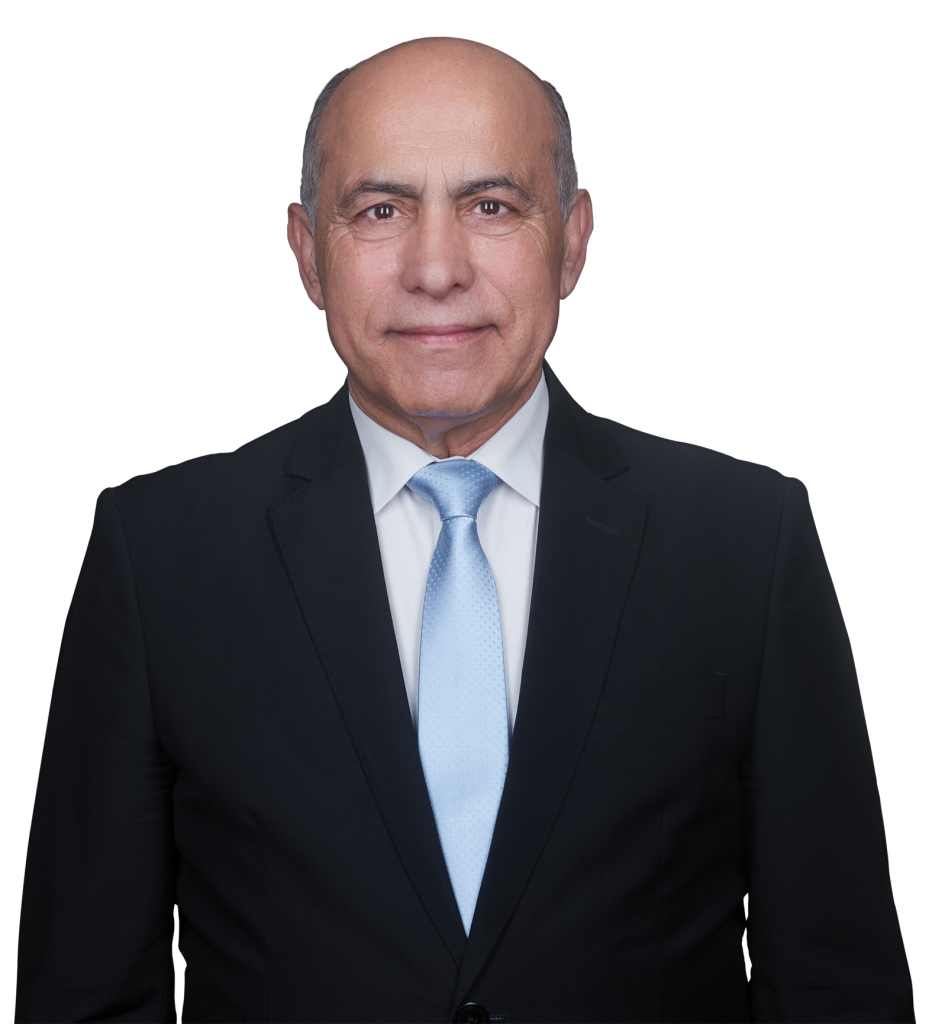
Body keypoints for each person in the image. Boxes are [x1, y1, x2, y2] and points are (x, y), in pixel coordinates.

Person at [14, 36, 914, 1024]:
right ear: (307, 253)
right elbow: (87, 993)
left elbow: (835, 984)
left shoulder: (748, 540)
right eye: (380, 210)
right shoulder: (156, 554)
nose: (435, 268)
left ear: (572, 241)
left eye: (490, 206)